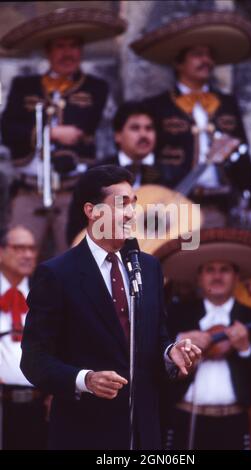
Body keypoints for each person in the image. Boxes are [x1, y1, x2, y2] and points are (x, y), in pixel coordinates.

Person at [20, 165, 201, 450]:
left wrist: (170, 353)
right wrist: (85, 379)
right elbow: (34, 360)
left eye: (133, 203)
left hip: (144, 434)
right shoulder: (57, 274)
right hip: (84, 434)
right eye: (121, 204)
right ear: (92, 212)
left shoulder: (149, 267)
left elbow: (157, 337)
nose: (130, 213)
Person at [0, 7, 126, 255]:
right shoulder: (24, 85)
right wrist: (50, 133)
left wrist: (38, 129)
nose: (67, 53)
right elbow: (8, 130)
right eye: (60, 46)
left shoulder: (95, 87)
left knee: (75, 259)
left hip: (72, 193)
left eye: (73, 46)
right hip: (29, 189)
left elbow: (84, 126)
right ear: (48, 51)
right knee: (16, 255)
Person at [131, 11, 251, 228]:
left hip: (222, 204)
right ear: (179, 63)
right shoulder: (157, 106)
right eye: (197, 54)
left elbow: (244, 156)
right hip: (175, 205)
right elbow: (146, 157)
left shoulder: (227, 103)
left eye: (209, 55)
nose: (206, 60)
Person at [162, 229, 251, 450]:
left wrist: (245, 348)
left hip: (232, 424)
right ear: (199, 277)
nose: (217, 276)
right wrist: (178, 343)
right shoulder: (176, 315)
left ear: (237, 277)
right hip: (184, 419)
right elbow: (154, 369)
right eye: (210, 270)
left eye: (224, 270)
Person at [66, 101, 163, 246]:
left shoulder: (169, 175)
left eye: (149, 128)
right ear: (118, 135)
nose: (143, 134)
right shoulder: (96, 174)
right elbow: (77, 225)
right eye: (135, 128)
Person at [0, 226, 48, 449]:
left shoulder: (43, 295)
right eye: (19, 248)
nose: (28, 255)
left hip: (38, 403)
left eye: (32, 248)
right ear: (1, 252)